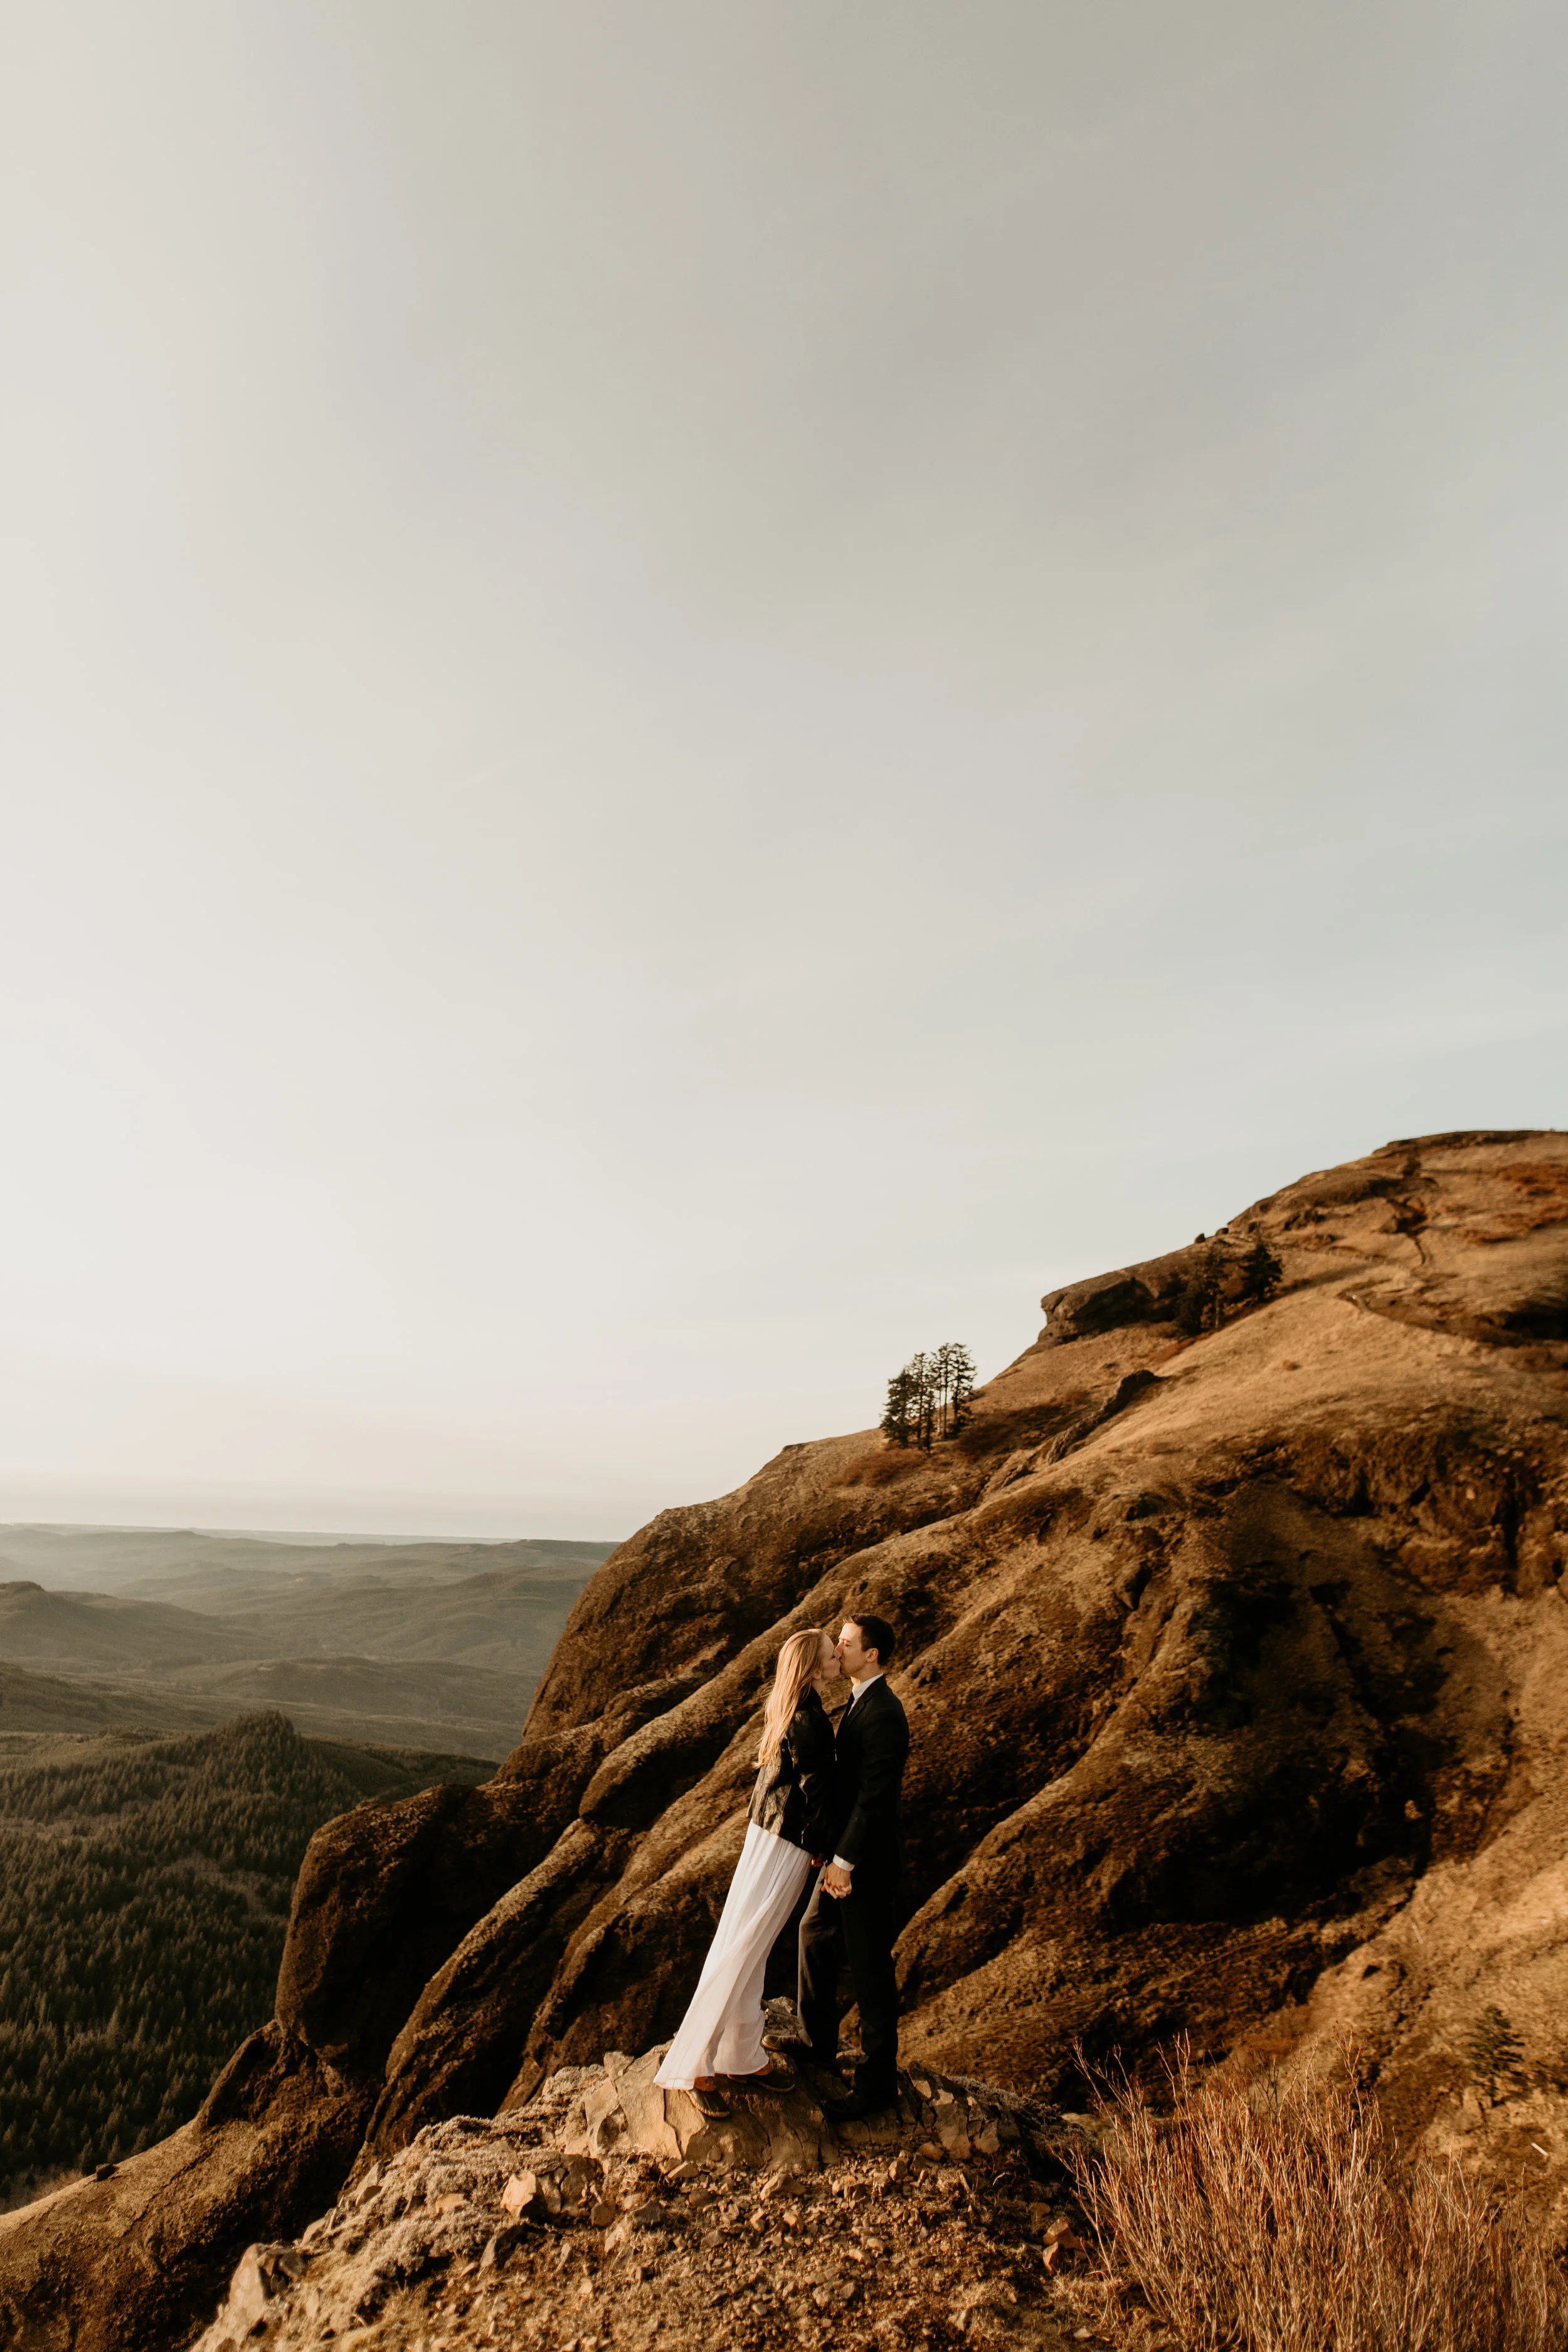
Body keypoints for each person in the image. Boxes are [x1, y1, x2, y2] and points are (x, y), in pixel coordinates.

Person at [655, 1628, 840, 2111]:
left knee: (748, 1947)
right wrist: (823, 1847)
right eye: (829, 1655)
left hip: (767, 1837)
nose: (838, 1658)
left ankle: (741, 2054)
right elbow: (816, 1791)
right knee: (742, 1948)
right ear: (813, 1667)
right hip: (786, 1844)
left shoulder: (790, 1708)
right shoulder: (810, 1720)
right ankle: (694, 2066)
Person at [795, 1612, 910, 2121]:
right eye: (837, 1643)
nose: (837, 1651)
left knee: (869, 1968)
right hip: (842, 1855)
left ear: (872, 1655)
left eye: (845, 1643)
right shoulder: (860, 1702)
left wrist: (843, 1861)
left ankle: (876, 2086)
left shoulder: (885, 1712)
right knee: (813, 1935)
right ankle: (817, 2047)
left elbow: (875, 1798)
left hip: (864, 1862)